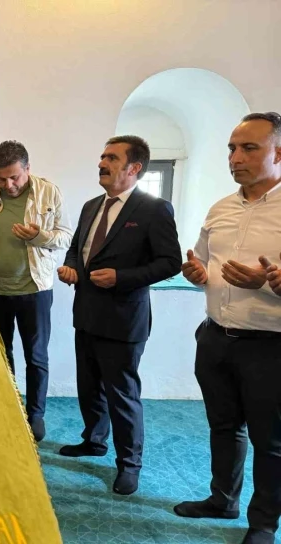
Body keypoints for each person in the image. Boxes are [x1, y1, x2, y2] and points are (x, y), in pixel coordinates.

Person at [175, 112, 281, 544]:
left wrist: (269, 283)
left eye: (249, 148)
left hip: (270, 347)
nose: (235, 158)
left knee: (270, 441)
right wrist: (197, 272)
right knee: (223, 426)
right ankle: (223, 500)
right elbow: (202, 260)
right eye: (232, 149)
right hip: (216, 337)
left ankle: (264, 524)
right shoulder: (220, 208)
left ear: (279, 153)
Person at [57, 135, 181, 495]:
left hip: (123, 319)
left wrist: (121, 278)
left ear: (134, 167)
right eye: (102, 156)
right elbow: (76, 248)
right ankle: (94, 440)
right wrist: (71, 267)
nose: (102, 163)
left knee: (122, 394)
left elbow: (170, 262)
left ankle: (129, 464)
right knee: (88, 386)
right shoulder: (91, 206)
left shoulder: (154, 209)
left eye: (111, 158)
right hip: (86, 312)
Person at [0, 140, 72, 442]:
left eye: (14, 177)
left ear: (27, 168)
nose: (8, 185)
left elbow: (66, 237)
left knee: (36, 356)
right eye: (1, 178)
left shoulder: (49, 192)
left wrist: (39, 236)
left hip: (34, 290)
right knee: (1, 354)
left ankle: (35, 414)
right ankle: (7, 408)